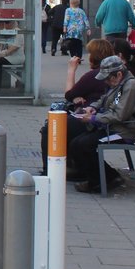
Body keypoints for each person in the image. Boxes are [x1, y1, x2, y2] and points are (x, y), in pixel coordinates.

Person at [39, 39, 115, 176]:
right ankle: (71, 166)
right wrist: (76, 98)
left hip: (93, 118)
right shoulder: (103, 73)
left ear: (94, 56)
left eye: (89, 53)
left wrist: (71, 70)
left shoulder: (95, 75)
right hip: (95, 115)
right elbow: (74, 96)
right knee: (66, 128)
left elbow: (69, 94)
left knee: (51, 128)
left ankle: (49, 171)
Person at [67, 54, 135, 193]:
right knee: (76, 143)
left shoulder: (129, 86)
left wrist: (93, 119)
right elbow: (104, 99)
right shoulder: (119, 83)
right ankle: (105, 177)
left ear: (118, 74)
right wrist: (93, 107)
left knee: (84, 145)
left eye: (108, 79)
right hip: (113, 127)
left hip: (123, 131)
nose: (106, 82)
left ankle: (103, 180)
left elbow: (119, 115)